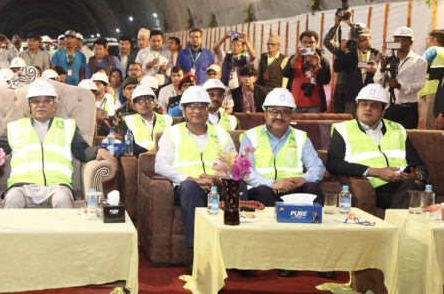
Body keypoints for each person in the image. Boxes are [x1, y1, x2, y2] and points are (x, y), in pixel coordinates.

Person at [239, 87, 327, 278]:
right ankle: (285, 257)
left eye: (285, 112)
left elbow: (317, 167)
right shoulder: (250, 136)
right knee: (262, 192)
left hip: (293, 190)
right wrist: (272, 183)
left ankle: (319, 257)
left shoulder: (301, 137)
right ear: (265, 113)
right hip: (264, 190)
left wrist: (302, 179)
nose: (279, 116)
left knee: (312, 188)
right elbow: (245, 170)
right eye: (274, 111)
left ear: (291, 114)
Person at [0, 80, 115, 208]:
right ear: (29, 105)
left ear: (54, 105)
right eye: (36, 101)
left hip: (57, 186)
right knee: (12, 199)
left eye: (46, 100)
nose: (41, 105)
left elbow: (82, 150)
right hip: (21, 186)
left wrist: (97, 151)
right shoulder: (14, 127)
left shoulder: (68, 126)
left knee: (63, 199)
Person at [155, 86, 235, 251]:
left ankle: (237, 251)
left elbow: (234, 166)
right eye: (192, 106)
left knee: (237, 187)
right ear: (183, 111)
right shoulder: (172, 133)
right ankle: (197, 252)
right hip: (187, 188)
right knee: (190, 188)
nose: (197, 110)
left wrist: (219, 180)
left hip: (217, 186)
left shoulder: (221, 133)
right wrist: (189, 179)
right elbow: (160, 164)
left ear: (208, 110)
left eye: (201, 106)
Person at [327, 83, 427, 209]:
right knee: (412, 193)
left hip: (402, 185)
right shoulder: (343, 129)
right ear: (357, 107)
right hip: (374, 188)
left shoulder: (397, 129)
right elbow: (334, 164)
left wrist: (415, 175)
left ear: (383, 111)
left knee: (411, 187)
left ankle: (394, 224)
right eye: (364, 104)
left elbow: (420, 166)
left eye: (374, 105)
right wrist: (376, 172)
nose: (368, 108)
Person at [373, 27, 427, 129]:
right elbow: (377, 81)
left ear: (410, 42)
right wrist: (382, 69)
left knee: (406, 138)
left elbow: (420, 84)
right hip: (388, 107)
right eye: (397, 40)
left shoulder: (419, 61)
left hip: (408, 109)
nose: (401, 42)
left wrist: (399, 85)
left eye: (404, 40)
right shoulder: (386, 59)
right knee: (387, 137)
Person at [333, 23, 382, 115]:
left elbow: (385, 76)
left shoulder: (378, 54)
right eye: (359, 41)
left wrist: (377, 71)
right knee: (351, 124)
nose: (362, 43)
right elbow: (337, 68)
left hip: (371, 97)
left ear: (370, 37)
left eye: (364, 40)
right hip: (352, 97)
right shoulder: (350, 54)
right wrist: (342, 50)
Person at [282, 30, 331, 113]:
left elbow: (326, 81)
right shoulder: (295, 58)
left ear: (316, 44)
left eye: (311, 42)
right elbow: (285, 74)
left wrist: (318, 65)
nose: (308, 45)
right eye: (305, 42)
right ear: (301, 44)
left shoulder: (322, 60)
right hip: (295, 103)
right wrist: (295, 58)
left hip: (315, 105)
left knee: (313, 126)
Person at [119, 85, 173, 154]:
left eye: (147, 100)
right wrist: (150, 153)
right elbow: (129, 145)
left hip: (166, 157)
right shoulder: (128, 121)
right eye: (140, 101)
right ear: (134, 106)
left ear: (154, 103)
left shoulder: (167, 119)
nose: (144, 104)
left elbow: (174, 141)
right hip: (141, 160)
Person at [422, 29, 444, 129]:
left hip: (431, 92)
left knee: (431, 126)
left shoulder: (432, 50)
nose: (427, 41)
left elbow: (421, 68)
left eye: (428, 39)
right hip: (440, 92)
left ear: (434, 40)